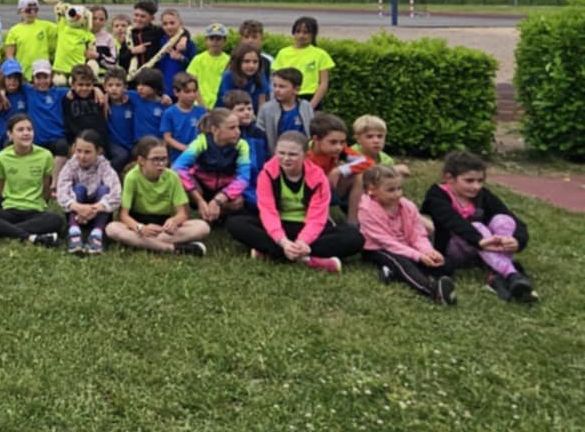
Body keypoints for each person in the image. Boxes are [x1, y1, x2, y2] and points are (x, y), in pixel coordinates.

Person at [226, 130, 363, 272]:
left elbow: (317, 218)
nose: (286, 158)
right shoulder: (267, 174)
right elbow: (268, 211)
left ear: (305, 155)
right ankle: (307, 258)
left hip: (308, 227)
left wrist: (303, 241)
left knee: (355, 238)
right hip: (278, 225)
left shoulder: (318, 177)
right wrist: (282, 241)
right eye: (281, 153)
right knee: (236, 223)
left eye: (292, 154)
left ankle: (274, 253)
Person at [422, 151, 536, 303]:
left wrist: (517, 241)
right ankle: (511, 274)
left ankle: (497, 276)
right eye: (469, 181)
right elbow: (454, 222)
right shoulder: (436, 195)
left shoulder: (482, 195)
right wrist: (479, 240)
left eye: (480, 181)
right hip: (453, 249)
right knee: (477, 226)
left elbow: (512, 218)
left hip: (485, 248)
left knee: (504, 220)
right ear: (449, 178)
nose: (476, 186)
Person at [357, 165, 454, 303]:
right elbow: (386, 242)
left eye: (399, 188)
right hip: (379, 249)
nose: (397, 194)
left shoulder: (407, 206)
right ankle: (432, 291)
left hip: (406, 246)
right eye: (391, 190)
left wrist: (428, 252)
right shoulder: (367, 210)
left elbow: (418, 234)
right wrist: (418, 256)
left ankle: (392, 273)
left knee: (445, 264)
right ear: (372, 189)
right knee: (404, 264)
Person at [106, 136, 210, 254]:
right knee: (112, 229)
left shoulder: (172, 177)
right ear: (141, 161)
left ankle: (141, 243)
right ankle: (174, 248)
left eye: (164, 159)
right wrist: (141, 228)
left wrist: (174, 221)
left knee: (202, 227)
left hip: (163, 226)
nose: (161, 164)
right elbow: (123, 215)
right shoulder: (132, 177)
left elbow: (182, 213)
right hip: (138, 224)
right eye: (155, 159)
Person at [0, 116, 68, 246]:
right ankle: (32, 237)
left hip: (35, 210)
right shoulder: (1, 157)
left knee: (56, 220)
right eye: (20, 130)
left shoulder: (45, 155)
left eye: (29, 129)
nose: (26, 133)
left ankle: (1, 231)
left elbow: (45, 189)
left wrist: (41, 203)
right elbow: (0, 190)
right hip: (10, 209)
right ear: (10, 134)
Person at [171, 106, 254, 227]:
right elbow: (177, 168)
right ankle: (185, 217)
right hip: (201, 188)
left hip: (223, 190)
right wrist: (199, 200)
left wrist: (219, 199)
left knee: (238, 202)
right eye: (232, 128)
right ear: (215, 129)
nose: (238, 132)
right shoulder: (201, 142)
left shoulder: (242, 145)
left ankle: (214, 216)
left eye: (238, 127)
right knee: (178, 180)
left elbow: (243, 178)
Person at [54, 131, 120, 254]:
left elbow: (116, 194)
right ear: (73, 148)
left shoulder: (105, 166)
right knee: (79, 188)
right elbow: (61, 192)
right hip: (76, 212)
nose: (82, 156)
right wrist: (78, 207)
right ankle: (74, 232)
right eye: (79, 151)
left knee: (104, 189)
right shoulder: (70, 165)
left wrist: (93, 209)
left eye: (87, 152)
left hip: (99, 213)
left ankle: (97, 234)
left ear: (98, 151)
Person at [256, 67, 313, 155]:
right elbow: (259, 136)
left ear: (296, 90)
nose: (276, 90)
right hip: (275, 156)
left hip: (301, 155)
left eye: (282, 86)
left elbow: (311, 131)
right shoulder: (266, 109)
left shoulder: (306, 106)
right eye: (274, 86)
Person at [19, 59, 68, 157]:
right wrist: (2, 91)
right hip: (37, 141)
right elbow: (9, 83)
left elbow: (78, 89)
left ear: (51, 77)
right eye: (38, 78)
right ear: (33, 79)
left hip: (57, 138)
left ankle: (56, 169)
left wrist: (96, 90)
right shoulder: (29, 91)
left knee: (63, 147)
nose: (42, 81)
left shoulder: (59, 92)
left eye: (45, 77)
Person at [61, 65, 111, 156]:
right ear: (73, 85)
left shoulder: (98, 96)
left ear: (93, 84)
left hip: (98, 143)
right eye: (80, 85)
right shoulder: (68, 98)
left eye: (88, 85)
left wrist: (98, 90)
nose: (84, 88)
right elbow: (68, 127)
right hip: (76, 143)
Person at [284, 17, 334, 104]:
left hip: (311, 97)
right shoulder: (283, 53)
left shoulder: (321, 54)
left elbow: (323, 83)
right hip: (288, 96)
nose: (301, 35)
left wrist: (311, 105)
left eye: (306, 32)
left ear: (313, 34)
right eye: (298, 31)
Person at [3, 0, 56, 76]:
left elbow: (64, 28)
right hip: (23, 73)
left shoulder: (46, 26)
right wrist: (15, 71)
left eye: (35, 10)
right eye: (28, 10)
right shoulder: (14, 31)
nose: (32, 13)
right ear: (20, 10)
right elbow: (9, 55)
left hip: (42, 73)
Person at [50, 4, 98, 84]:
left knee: (75, 82)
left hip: (78, 67)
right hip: (61, 67)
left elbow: (91, 46)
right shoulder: (63, 28)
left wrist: (92, 52)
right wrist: (62, 8)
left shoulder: (86, 33)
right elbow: (60, 10)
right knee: (60, 82)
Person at [186, 23, 231, 108]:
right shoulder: (198, 59)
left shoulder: (229, 60)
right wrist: (201, 104)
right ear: (206, 40)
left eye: (218, 39)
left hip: (221, 104)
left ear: (224, 41)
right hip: (199, 104)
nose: (215, 42)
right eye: (211, 38)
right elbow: (192, 83)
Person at [161, 74, 205, 160]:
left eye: (194, 91)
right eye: (187, 92)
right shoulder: (169, 113)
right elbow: (167, 138)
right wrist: (186, 149)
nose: (192, 95)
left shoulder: (201, 111)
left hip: (199, 158)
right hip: (178, 158)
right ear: (176, 92)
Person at [217, 43, 269, 111]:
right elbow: (230, 104)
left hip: (251, 113)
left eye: (255, 62)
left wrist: (260, 117)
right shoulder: (228, 76)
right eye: (246, 61)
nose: (251, 65)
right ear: (237, 62)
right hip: (228, 113)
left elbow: (262, 102)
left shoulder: (260, 75)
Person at [103, 71, 136, 170]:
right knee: (122, 156)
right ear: (105, 87)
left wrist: (164, 97)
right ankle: (106, 173)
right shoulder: (103, 103)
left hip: (131, 143)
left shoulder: (132, 100)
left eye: (118, 85)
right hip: (113, 143)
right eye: (110, 85)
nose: (114, 89)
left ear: (125, 87)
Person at [155, 7, 194, 89]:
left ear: (180, 23)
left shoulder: (188, 44)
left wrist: (181, 58)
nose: (169, 27)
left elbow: (195, 66)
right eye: (165, 24)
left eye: (172, 23)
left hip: (182, 89)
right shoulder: (159, 41)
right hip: (162, 89)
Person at [130, 67, 169, 148]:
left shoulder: (164, 105)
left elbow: (167, 130)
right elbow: (117, 92)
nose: (140, 88)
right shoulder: (135, 97)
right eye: (138, 84)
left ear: (155, 87)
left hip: (158, 145)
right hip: (139, 144)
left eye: (144, 85)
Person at [125, 0, 163, 73]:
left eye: (143, 16)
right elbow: (121, 59)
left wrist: (183, 38)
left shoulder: (158, 31)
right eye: (136, 15)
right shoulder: (128, 33)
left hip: (153, 75)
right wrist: (132, 51)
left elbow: (179, 31)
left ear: (152, 18)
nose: (138, 19)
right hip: (133, 75)